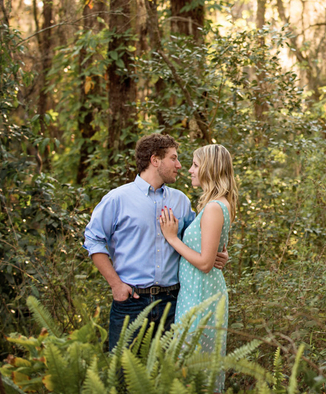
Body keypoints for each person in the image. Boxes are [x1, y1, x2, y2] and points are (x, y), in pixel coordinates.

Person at [83, 134, 228, 351]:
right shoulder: (118, 199)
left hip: (173, 303)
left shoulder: (180, 201)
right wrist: (116, 285)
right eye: (174, 158)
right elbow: (93, 240)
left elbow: (197, 239)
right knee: (124, 375)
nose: (180, 165)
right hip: (131, 302)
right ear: (155, 160)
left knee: (168, 379)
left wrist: (220, 254)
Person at [159, 143, 236, 391]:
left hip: (202, 297)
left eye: (195, 165)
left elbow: (204, 263)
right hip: (196, 293)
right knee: (191, 368)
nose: (190, 170)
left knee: (194, 371)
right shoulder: (214, 204)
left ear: (209, 169)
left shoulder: (214, 207)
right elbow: (213, 253)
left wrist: (172, 238)